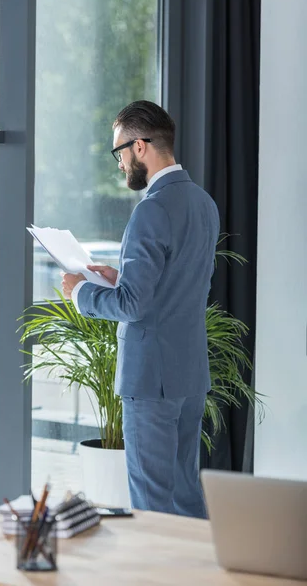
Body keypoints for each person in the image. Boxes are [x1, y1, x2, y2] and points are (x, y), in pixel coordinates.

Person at [62, 100, 220, 519]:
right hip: (189, 372)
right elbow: (181, 285)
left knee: (150, 505)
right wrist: (120, 277)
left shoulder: (151, 211)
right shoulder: (203, 203)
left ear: (140, 146)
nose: (119, 163)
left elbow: (133, 306)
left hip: (151, 379)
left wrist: (80, 293)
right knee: (187, 496)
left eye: (119, 152)